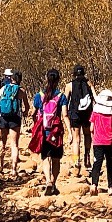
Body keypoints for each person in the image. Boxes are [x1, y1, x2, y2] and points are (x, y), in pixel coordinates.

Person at [32, 67, 70, 197]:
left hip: (44, 132)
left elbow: (33, 113)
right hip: (56, 132)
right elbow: (65, 115)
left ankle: (48, 180)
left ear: (46, 79)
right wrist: (70, 132)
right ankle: (53, 183)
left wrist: (34, 125)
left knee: (45, 158)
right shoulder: (61, 97)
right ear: (58, 80)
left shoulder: (39, 96)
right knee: (56, 159)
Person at [0, 68, 26, 178]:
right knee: (14, 145)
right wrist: (25, 113)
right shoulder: (21, 91)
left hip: (3, 118)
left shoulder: (4, 88)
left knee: (2, 142)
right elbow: (27, 106)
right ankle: (13, 170)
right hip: (15, 119)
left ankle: (0, 167)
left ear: (11, 78)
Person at [88, 86, 112, 195]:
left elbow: (91, 128)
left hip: (98, 142)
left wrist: (93, 137)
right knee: (110, 163)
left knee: (97, 163)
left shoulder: (95, 112)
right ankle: (111, 187)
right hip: (110, 142)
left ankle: (94, 184)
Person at [68, 64, 96, 173]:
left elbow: (65, 100)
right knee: (87, 135)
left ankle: (76, 162)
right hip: (87, 114)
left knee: (76, 140)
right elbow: (95, 97)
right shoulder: (89, 84)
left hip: (75, 115)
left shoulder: (69, 85)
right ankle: (87, 157)